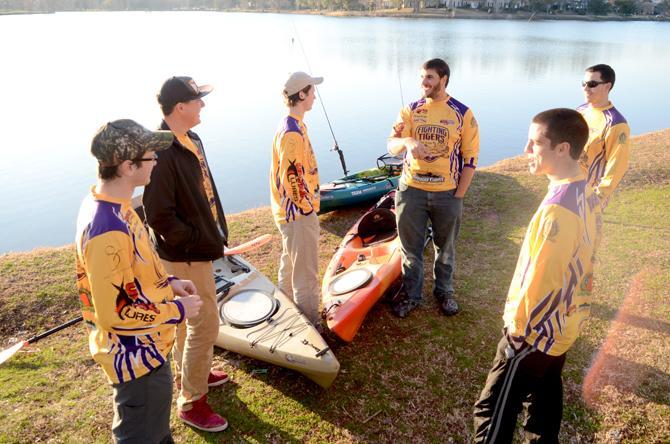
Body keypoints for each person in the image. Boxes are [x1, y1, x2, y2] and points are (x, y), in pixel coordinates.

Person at [473, 108, 599, 443]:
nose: (526, 151)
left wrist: (518, 333)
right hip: (563, 327)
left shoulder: (559, 210)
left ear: (562, 148)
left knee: (492, 411)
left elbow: (545, 279)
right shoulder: (582, 190)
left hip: (534, 334)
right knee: (543, 407)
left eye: (535, 143)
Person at [75, 119, 203, 443]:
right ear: (128, 165)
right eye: (151, 156)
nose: (157, 161)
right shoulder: (107, 229)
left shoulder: (117, 205)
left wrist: (168, 283)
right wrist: (177, 310)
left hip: (150, 350)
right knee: (142, 436)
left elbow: (132, 272)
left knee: (157, 434)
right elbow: (116, 313)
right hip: (137, 361)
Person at [143, 76, 229, 432]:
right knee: (205, 322)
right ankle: (192, 402)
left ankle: (194, 372)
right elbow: (158, 213)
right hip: (185, 255)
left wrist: (215, 230)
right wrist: (195, 240)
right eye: (198, 100)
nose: (203, 105)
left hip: (198, 247)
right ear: (180, 107)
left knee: (186, 324)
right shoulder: (159, 149)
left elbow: (203, 192)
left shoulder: (191, 139)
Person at [387, 58, 480, 318]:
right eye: (421, 77)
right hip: (411, 191)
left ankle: (444, 291)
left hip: (447, 194)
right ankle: (411, 295)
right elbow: (391, 145)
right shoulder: (410, 110)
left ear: (444, 79)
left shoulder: (462, 113)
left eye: (429, 77)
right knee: (410, 249)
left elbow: (470, 159)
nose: (423, 82)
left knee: (445, 247)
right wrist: (406, 141)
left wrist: (458, 195)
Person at [269, 71, 323, 327]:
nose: (314, 95)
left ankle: (285, 313)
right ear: (301, 94)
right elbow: (292, 177)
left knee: (290, 265)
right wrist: (307, 208)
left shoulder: (294, 124)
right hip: (297, 214)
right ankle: (312, 326)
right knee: (306, 275)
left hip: (290, 214)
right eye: (312, 91)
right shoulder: (291, 132)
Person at [577, 64, 630, 207]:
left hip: (590, 195)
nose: (586, 88)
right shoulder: (580, 111)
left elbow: (617, 165)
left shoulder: (616, 124)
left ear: (607, 86)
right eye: (584, 84)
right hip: (568, 186)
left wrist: (597, 197)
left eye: (592, 84)